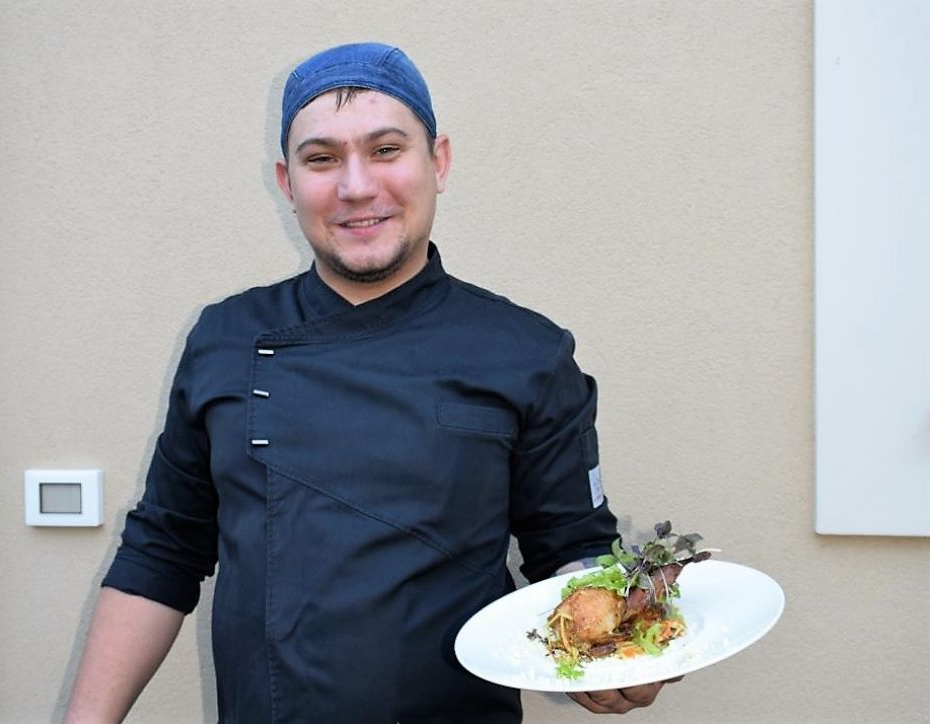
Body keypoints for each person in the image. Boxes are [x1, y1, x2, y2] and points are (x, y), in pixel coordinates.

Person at [65, 42, 677, 723]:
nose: (356, 187)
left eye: (386, 150)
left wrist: (614, 640)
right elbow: (162, 551)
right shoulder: (225, 337)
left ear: (438, 161)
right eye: (321, 158)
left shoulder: (527, 351)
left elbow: (570, 547)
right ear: (286, 180)